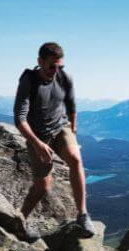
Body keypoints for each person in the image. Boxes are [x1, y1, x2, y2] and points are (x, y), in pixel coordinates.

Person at [14, 42, 96, 239]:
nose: (56, 70)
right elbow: (19, 119)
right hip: (39, 136)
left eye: (60, 66)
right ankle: (19, 221)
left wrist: (73, 134)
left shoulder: (64, 77)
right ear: (40, 62)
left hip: (60, 129)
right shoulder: (29, 81)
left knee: (75, 159)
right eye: (52, 66)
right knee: (43, 186)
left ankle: (83, 215)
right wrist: (37, 143)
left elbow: (71, 106)